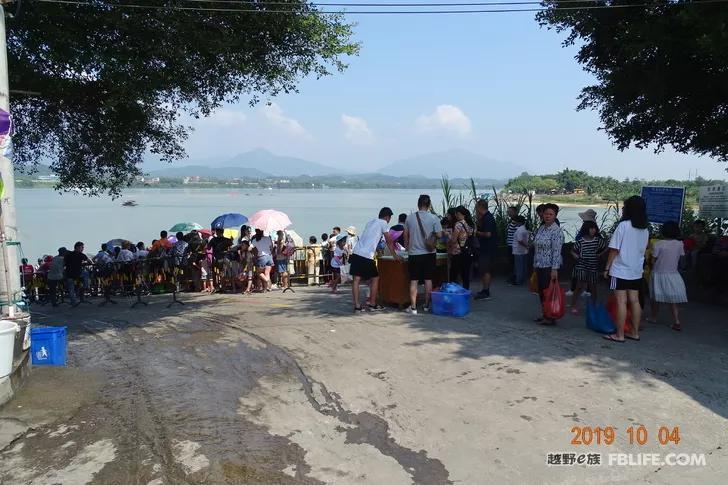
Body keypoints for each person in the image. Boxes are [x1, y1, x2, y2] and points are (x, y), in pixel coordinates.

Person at [603, 195, 650, 343]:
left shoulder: (623, 226)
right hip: (636, 270)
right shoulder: (645, 229)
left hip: (620, 269)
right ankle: (635, 332)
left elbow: (614, 249)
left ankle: (620, 334)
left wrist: (607, 267)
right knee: (634, 301)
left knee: (621, 301)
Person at [350, 207, 399, 312]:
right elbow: (389, 240)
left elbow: (370, 238)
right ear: (387, 217)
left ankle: (357, 306)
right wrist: (394, 255)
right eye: (389, 218)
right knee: (375, 278)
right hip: (367, 255)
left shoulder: (370, 222)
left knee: (356, 280)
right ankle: (372, 304)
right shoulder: (383, 223)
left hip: (357, 251)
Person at [403, 195, 443, 314]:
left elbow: (405, 235)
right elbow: (440, 235)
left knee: (414, 280)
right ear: (429, 205)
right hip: (430, 253)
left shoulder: (410, 218)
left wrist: (407, 248)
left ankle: (413, 307)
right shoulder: (434, 218)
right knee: (428, 279)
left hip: (414, 253)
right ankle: (426, 305)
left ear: (418, 204)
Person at [648, 221, 688, 331]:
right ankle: (676, 321)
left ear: (663, 231)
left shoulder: (658, 244)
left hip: (658, 273)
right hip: (673, 274)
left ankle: (654, 317)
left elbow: (653, 260)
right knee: (673, 300)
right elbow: (681, 258)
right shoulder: (680, 244)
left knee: (655, 298)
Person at [533, 204, 564, 325]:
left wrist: (554, 269)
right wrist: (534, 263)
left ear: (555, 215)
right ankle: (544, 313)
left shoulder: (556, 231)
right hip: (540, 264)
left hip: (549, 266)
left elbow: (557, 251)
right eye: (546, 214)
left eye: (551, 214)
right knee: (541, 291)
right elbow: (536, 247)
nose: (548, 216)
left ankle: (550, 316)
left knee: (548, 292)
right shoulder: (541, 228)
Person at [569, 220, 607, 314]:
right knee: (579, 286)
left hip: (593, 266)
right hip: (582, 265)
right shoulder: (581, 241)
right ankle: (573, 305)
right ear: (586, 229)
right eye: (591, 228)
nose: (593, 230)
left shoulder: (598, 241)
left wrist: (599, 254)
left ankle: (593, 305)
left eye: (594, 228)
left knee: (593, 287)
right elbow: (573, 250)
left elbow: (607, 247)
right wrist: (575, 255)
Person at [567, 209, 598, 296]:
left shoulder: (590, 229)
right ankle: (581, 290)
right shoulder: (587, 228)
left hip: (585, 256)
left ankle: (582, 290)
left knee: (582, 274)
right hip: (581, 254)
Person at [474, 199, 497, 300]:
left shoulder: (488, 218)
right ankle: (484, 289)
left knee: (486, 270)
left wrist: (476, 232)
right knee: (483, 270)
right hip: (485, 248)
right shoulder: (484, 217)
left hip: (488, 248)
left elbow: (488, 234)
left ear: (479, 207)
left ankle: (486, 291)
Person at [448, 206, 475, 290]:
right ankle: (466, 290)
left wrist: (447, 234)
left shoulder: (458, 225)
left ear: (458, 214)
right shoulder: (472, 224)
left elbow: (453, 240)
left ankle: (453, 292)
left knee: (454, 274)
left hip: (458, 252)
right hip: (469, 251)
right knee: (465, 273)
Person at [64, 241, 91, 307]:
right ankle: (86, 285)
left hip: (69, 273)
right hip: (77, 273)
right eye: (82, 247)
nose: (83, 249)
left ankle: (73, 302)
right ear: (78, 247)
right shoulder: (81, 255)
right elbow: (90, 262)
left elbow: (64, 263)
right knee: (86, 273)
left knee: (71, 289)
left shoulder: (68, 254)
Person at [511, 216, 529, 285]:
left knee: (519, 266)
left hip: (518, 250)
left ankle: (518, 281)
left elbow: (520, 240)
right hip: (524, 250)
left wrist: (526, 245)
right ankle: (523, 279)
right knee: (523, 266)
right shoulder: (524, 229)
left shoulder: (519, 230)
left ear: (519, 222)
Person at [505, 206, 518, 284]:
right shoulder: (511, 220)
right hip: (510, 244)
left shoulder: (517, 221)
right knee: (511, 262)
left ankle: (514, 277)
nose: (508, 213)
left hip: (514, 245)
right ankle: (512, 276)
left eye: (510, 211)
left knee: (514, 262)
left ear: (515, 212)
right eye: (508, 211)